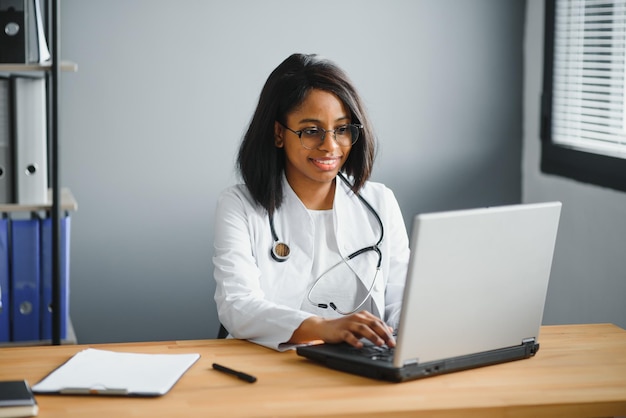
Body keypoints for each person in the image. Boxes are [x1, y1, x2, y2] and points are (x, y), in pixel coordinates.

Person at [213, 53, 410, 351]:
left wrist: (406, 333)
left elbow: (402, 295)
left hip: (361, 363)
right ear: (279, 133)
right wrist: (324, 328)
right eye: (311, 131)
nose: (330, 146)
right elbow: (237, 306)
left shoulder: (380, 201)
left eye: (342, 129)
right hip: (272, 366)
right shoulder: (240, 205)